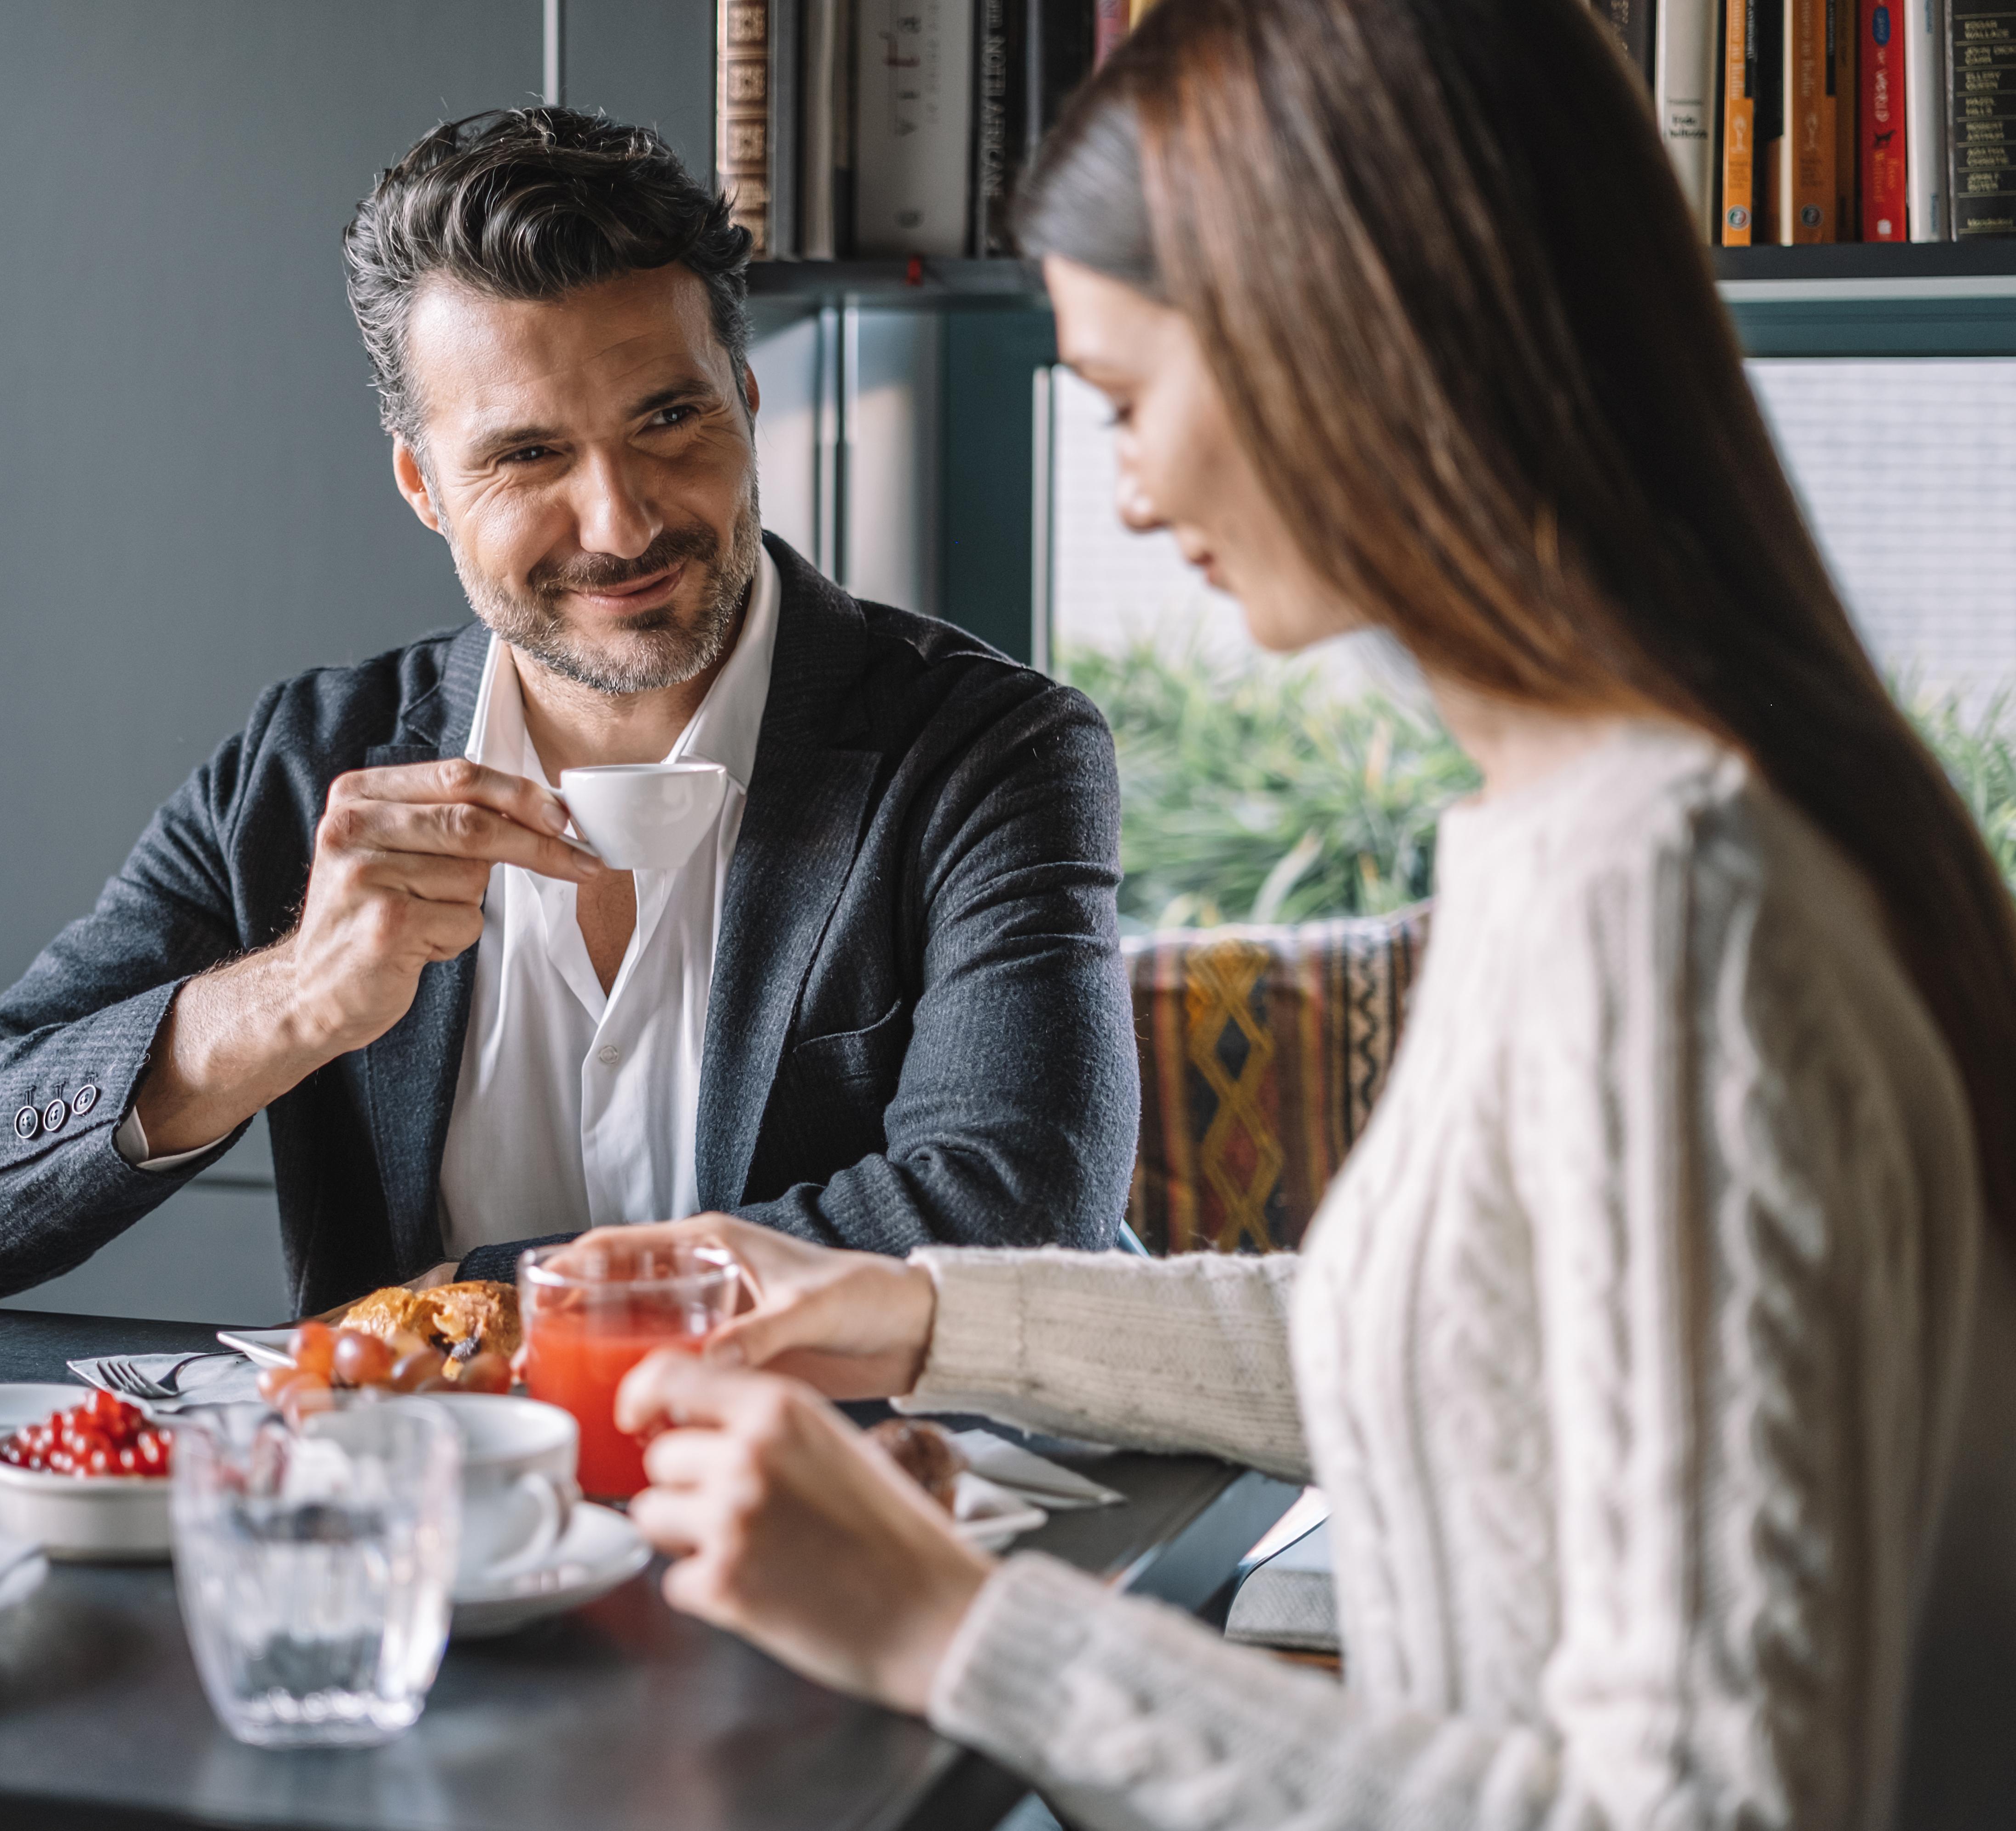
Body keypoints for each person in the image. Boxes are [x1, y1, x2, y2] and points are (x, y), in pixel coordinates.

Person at [607, 0, 2016, 1823]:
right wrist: (916, 1308)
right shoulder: (1615, 817)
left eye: (1127, 398)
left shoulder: (1658, 897)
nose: (1124, 489)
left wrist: (955, 1626)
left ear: (1338, 340)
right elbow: (1454, 1347)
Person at [0, 109, 1142, 1318]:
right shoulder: (307, 767)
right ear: (423, 484)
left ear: (749, 407)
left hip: (832, 1536)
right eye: (529, 456)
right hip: (413, 1552)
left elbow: (1012, 1215)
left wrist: (487, 1299)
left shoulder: (992, 751)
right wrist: (292, 998)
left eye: (670, 418)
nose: (621, 521)